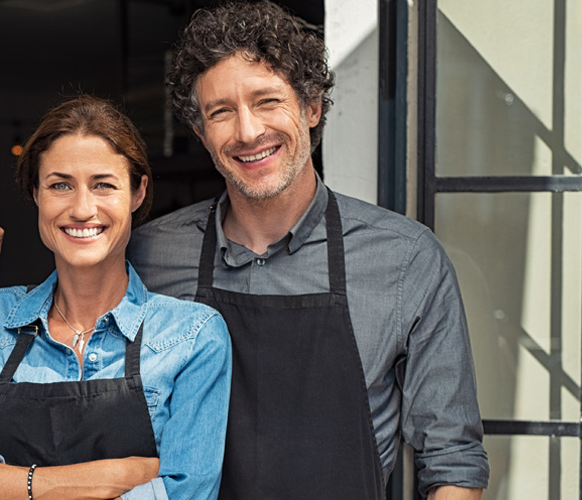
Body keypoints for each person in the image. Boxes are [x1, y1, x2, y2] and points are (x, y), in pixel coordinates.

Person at [127, 2, 490, 499]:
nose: (248, 131)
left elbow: (452, 463)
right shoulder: (147, 256)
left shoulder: (404, 259)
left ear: (312, 107)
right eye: (221, 112)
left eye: (267, 101)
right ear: (200, 133)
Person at [0, 95, 231, 500]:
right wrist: (119, 476)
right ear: (36, 194)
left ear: (137, 192)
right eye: (60, 185)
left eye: (104, 185)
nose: (82, 208)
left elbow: (188, 492)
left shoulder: (192, 335)